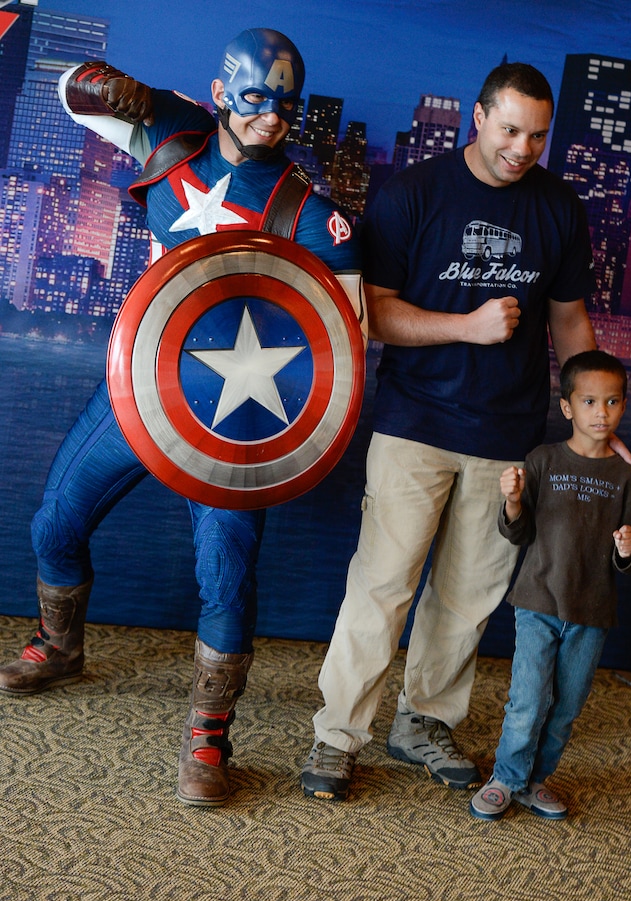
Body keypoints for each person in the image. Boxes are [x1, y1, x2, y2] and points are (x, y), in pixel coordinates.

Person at [0, 28, 363, 809]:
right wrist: (113, 87)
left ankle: (209, 734)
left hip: (238, 419)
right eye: (258, 97)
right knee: (55, 522)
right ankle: (60, 645)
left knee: (226, 580)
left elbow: (345, 341)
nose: (272, 117)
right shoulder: (171, 130)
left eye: (287, 105)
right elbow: (75, 95)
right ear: (224, 89)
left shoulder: (307, 212)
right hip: (141, 384)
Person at [301, 62, 631, 802]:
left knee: (468, 594)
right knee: (382, 585)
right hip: (414, 421)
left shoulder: (559, 207)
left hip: (509, 433)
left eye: (538, 136)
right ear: (479, 118)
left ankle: (422, 722)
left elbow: (570, 320)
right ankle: (338, 736)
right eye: (511, 129)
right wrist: (469, 326)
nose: (522, 148)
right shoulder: (414, 192)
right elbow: (374, 314)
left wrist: (594, 418)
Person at [469, 350, 631, 821]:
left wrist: (628, 547)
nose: (600, 412)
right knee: (527, 699)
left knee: (565, 707)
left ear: (623, 407)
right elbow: (518, 532)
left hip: (593, 612)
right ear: (567, 407)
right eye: (589, 401)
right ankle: (506, 778)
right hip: (537, 601)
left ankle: (534, 781)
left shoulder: (626, 478)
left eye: (611, 402)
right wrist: (510, 501)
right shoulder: (543, 460)